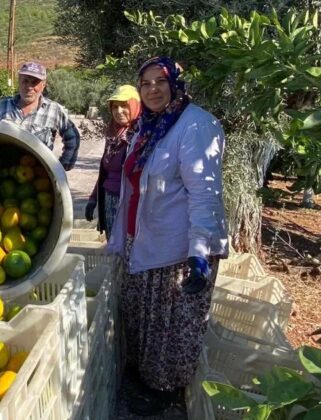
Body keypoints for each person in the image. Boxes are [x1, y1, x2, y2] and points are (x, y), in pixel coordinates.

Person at [106, 57, 228, 415]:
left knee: (170, 327)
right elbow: (133, 187)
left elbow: (205, 194)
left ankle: (164, 393)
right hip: (143, 239)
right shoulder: (149, 125)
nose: (153, 89)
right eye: (145, 83)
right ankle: (146, 380)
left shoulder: (196, 126)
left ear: (175, 82)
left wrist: (200, 253)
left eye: (160, 81)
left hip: (179, 248)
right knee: (143, 319)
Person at [0, 61, 80, 171]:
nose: (29, 87)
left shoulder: (54, 110)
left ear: (43, 85)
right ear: (19, 82)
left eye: (34, 82)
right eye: (25, 81)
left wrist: (62, 166)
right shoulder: (3, 106)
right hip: (4, 173)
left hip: (39, 176)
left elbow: (72, 137)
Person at [85, 85, 140, 240]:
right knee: (114, 248)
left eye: (124, 105)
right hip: (109, 201)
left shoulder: (140, 136)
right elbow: (105, 171)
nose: (118, 111)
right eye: (115, 106)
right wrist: (93, 199)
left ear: (135, 105)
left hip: (129, 204)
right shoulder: (113, 134)